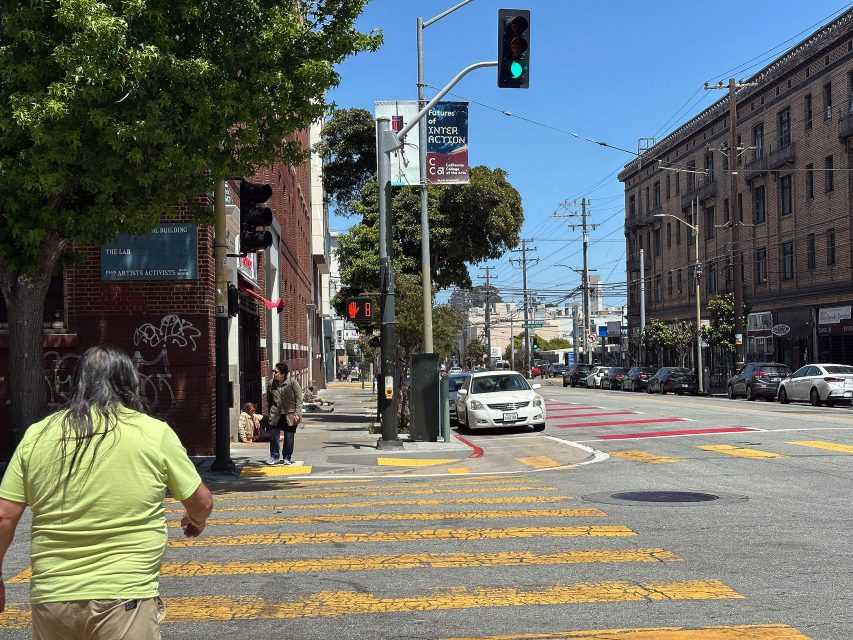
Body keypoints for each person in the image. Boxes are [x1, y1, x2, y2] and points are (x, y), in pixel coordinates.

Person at [0, 344, 213, 639]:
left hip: (52, 599)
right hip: (124, 597)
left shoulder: (37, 434)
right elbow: (201, 502)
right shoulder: (153, 432)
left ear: (77, 384)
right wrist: (196, 520)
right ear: (129, 384)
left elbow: (4, 517)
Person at [266, 362, 303, 465]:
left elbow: (299, 398)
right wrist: (270, 412)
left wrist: (297, 413)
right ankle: (274, 456)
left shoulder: (292, 383)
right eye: (274, 371)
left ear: (283, 374)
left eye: (276, 372)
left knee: (289, 437)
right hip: (275, 415)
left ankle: (287, 457)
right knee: (273, 436)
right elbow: (269, 400)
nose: (274, 373)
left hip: (290, 415)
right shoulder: (271, 384)